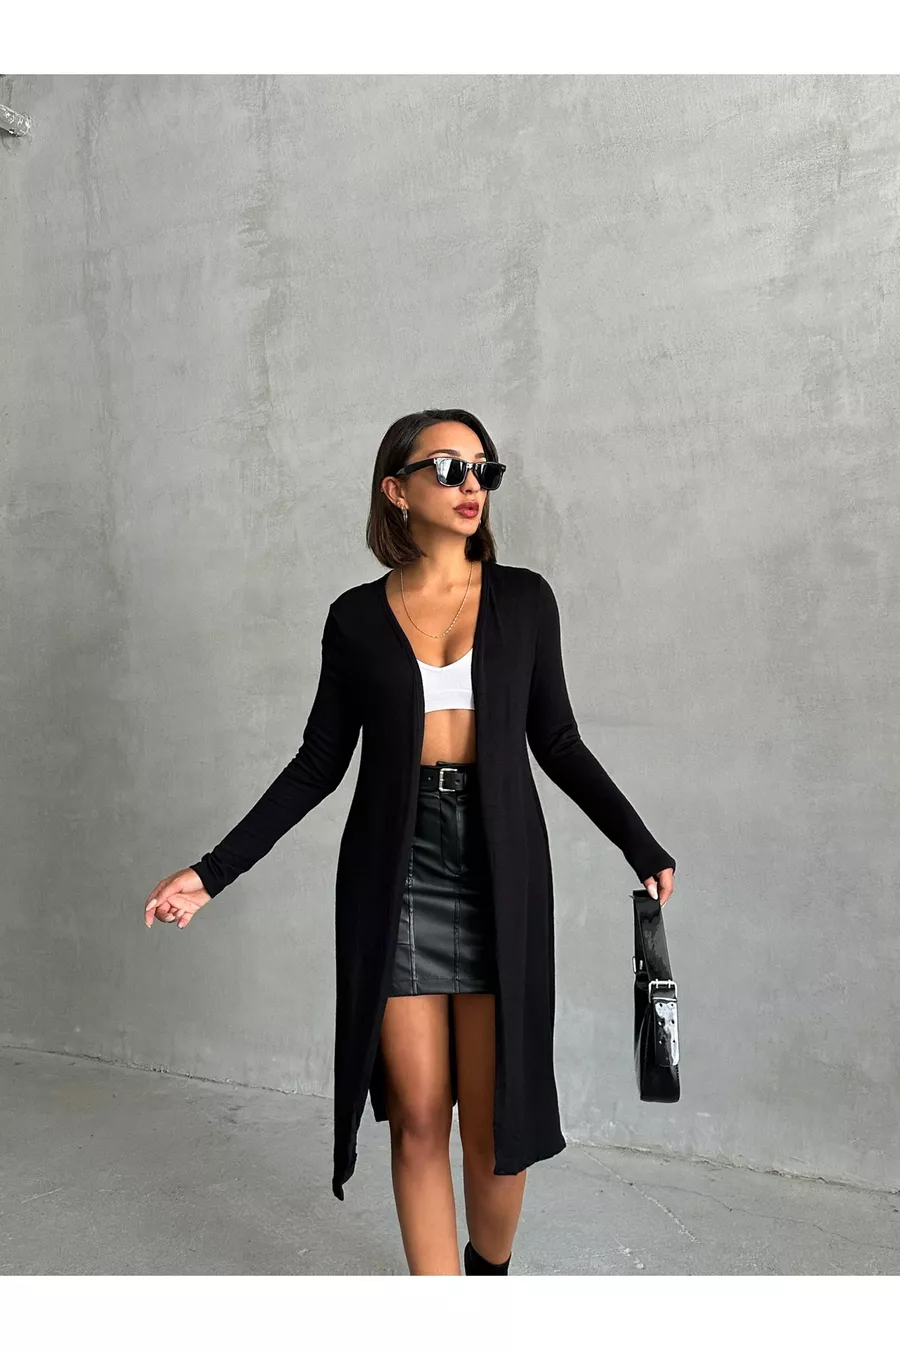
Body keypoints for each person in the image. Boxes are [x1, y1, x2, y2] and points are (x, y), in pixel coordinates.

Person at [144, 407, 676, 1276]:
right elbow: (317, 764)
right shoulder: (356, 619)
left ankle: (487, 1276)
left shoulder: (525, 600)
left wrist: (640, 844)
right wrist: (211, 874)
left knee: (496, 1120)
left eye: (483, 470)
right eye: (448, 468)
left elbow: (558, 741)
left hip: (501, 866)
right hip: (396, 870)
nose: (472, 485)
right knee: (420, 1115)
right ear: (396, 490)